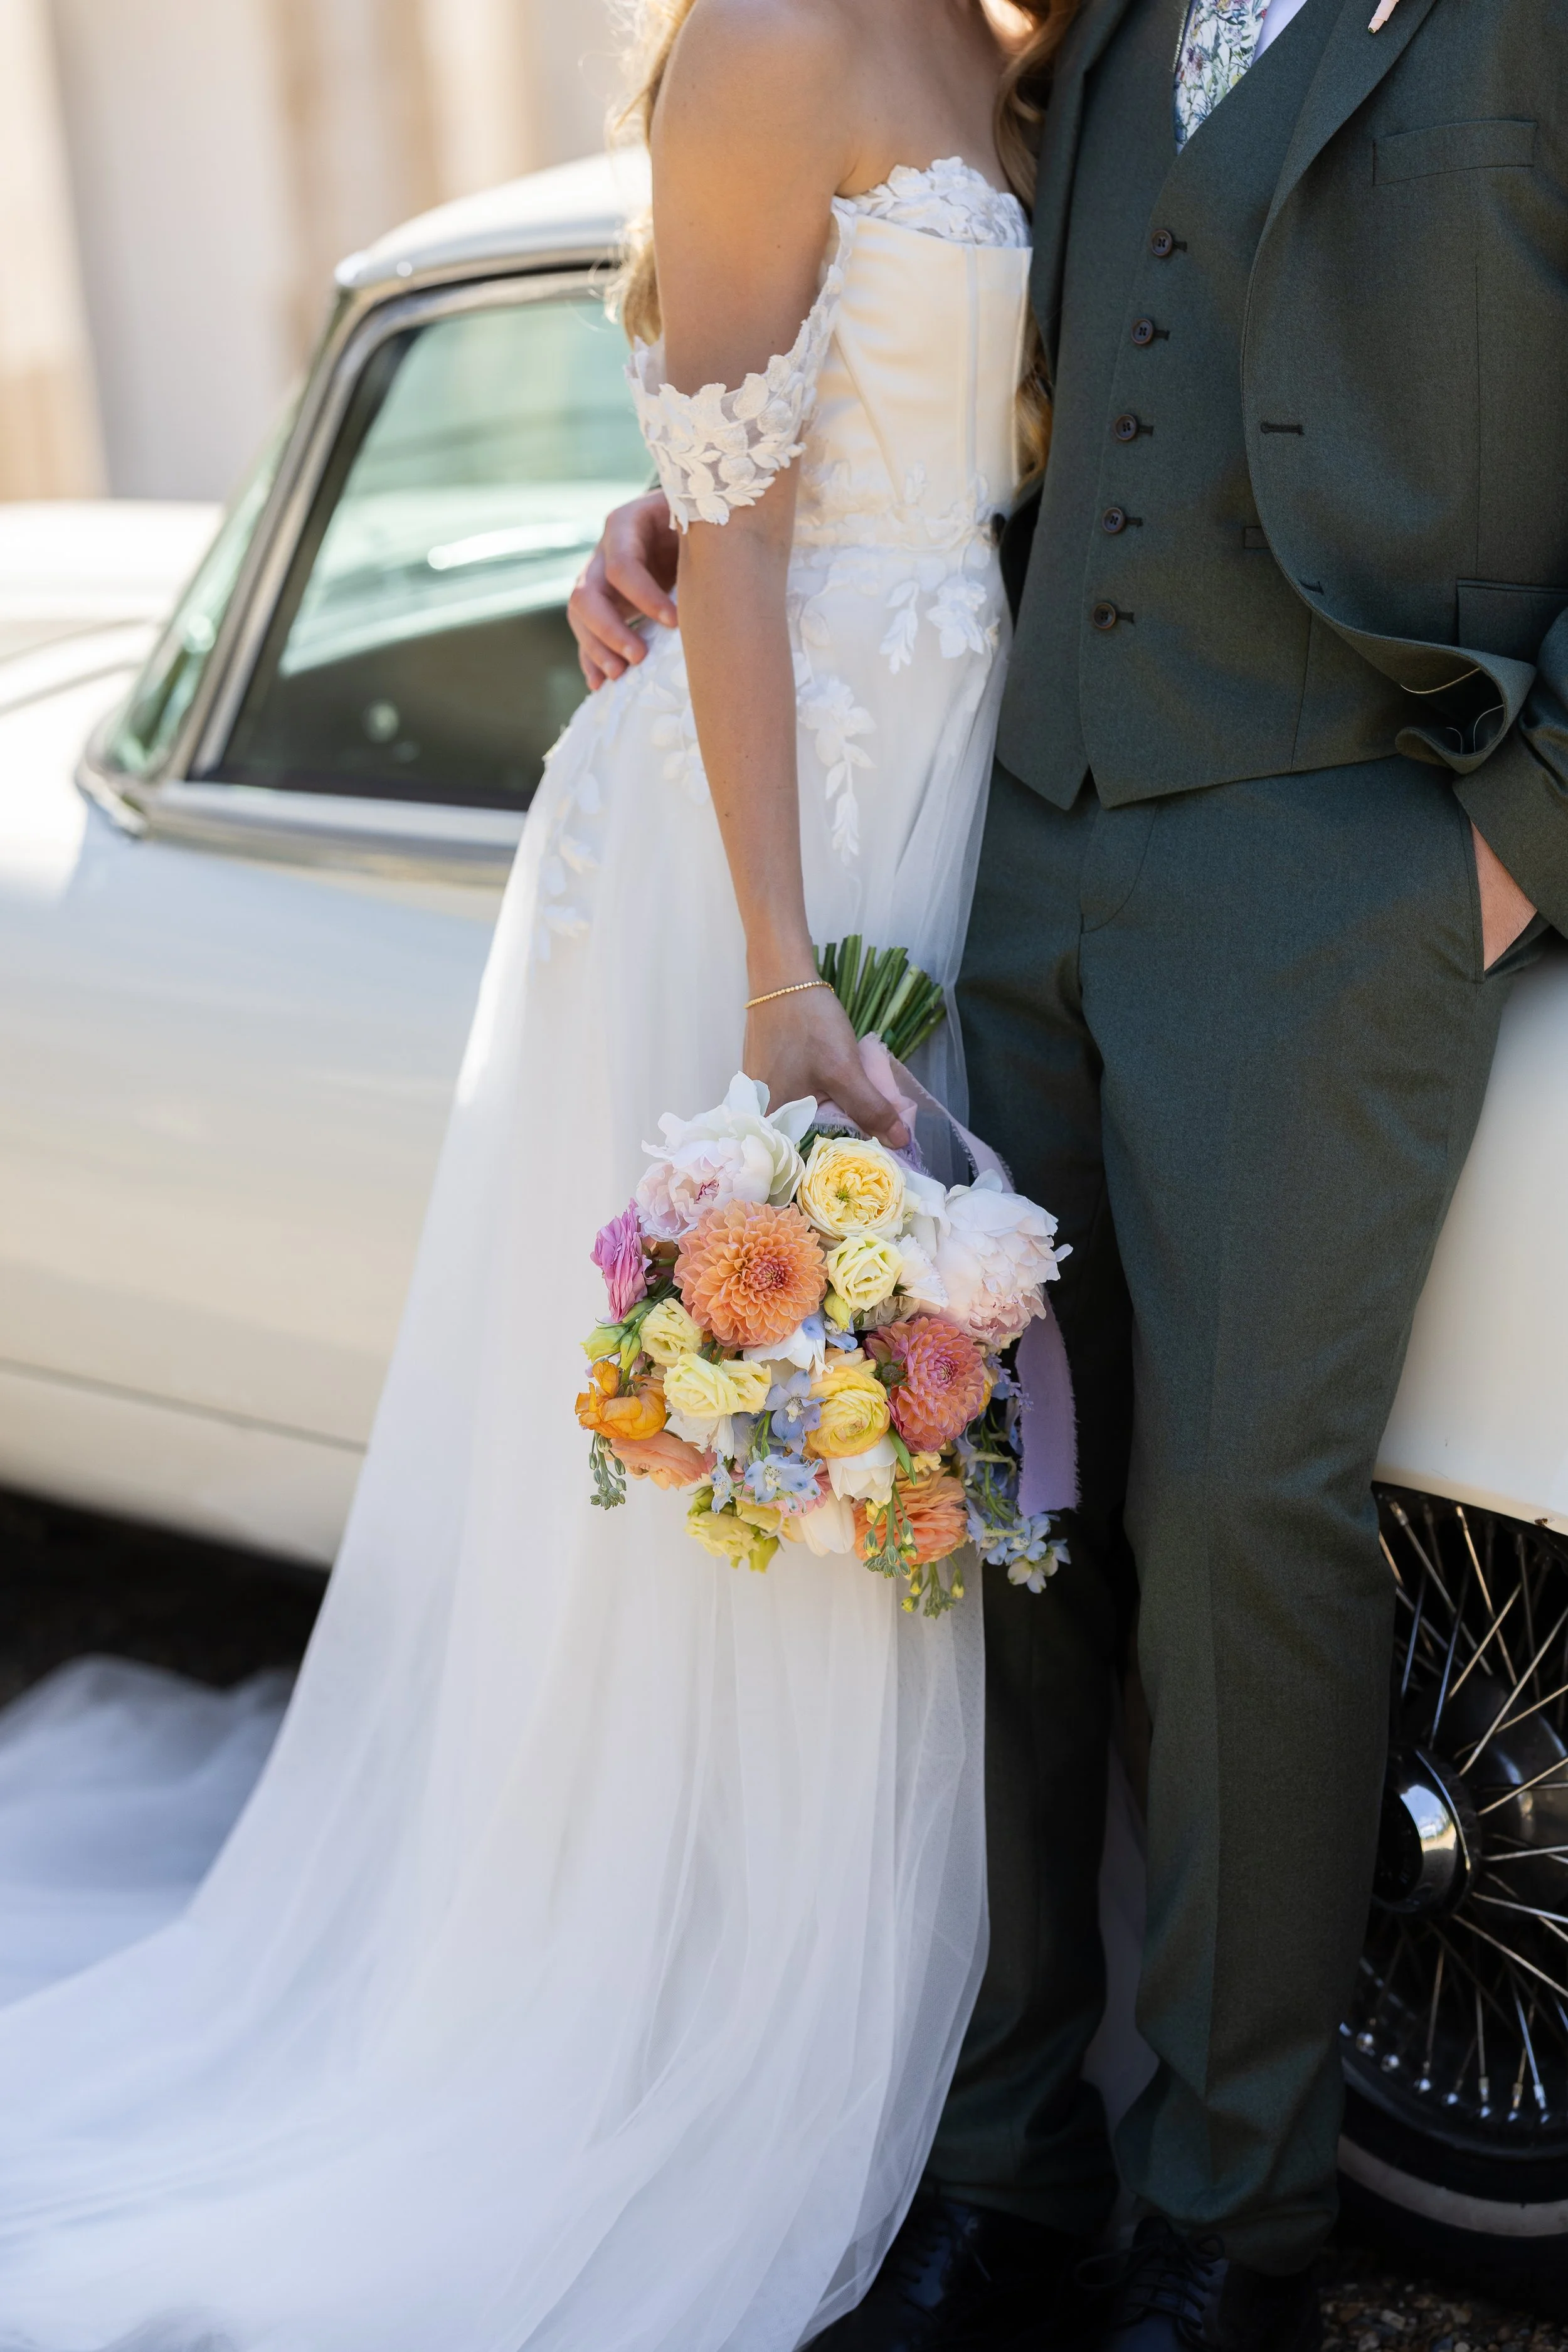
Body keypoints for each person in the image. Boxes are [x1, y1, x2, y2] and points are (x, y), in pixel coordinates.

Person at [0, 4, 1081, 2348]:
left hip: (958, 757)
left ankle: (903, 2008)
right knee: (777, 1470)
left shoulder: (1005, 44)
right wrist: (784, 973)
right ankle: (719, 2021)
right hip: (761, 845)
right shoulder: (777, 35)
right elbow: (736, 513)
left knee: (891, 1427)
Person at [570, 0, 1568, 2340]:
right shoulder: (1092, 24)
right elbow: (956, 379)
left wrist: (1506, 858)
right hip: (1028, 830)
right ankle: (1001, 2161)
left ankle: (1230, 2218)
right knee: (1002, 1500)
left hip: (1338, 869)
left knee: (1242, 1523)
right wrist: (685, 508)